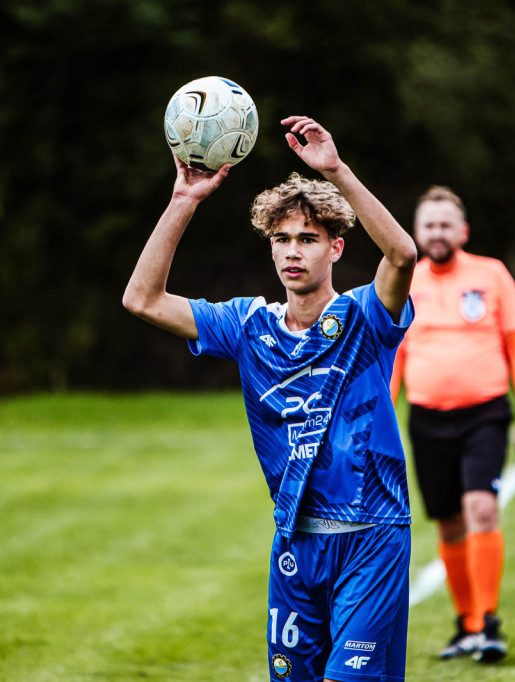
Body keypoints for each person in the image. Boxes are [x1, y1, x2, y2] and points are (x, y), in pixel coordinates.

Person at [123, 116, 417, 682]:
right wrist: (184, 198)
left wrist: (334, 170)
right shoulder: (247, 325)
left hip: (371, 538)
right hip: (293, 546)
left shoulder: (364, 318)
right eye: (281, 238)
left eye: (307, 239)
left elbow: (402, 255)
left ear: (335, 247)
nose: (292, 251)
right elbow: (142, 299)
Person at [389, 186, 515, 663]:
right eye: (428, 225)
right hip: (427, 419)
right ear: (417, 233)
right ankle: (467, 625)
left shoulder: (490, 275)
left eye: (445, 225)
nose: (436, 233)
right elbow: (394, 357)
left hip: (485, 415)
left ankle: (489, 623)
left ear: (463, 231)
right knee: (449, 522)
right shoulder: (405, 282)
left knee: (482, 508)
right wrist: (379, 418)